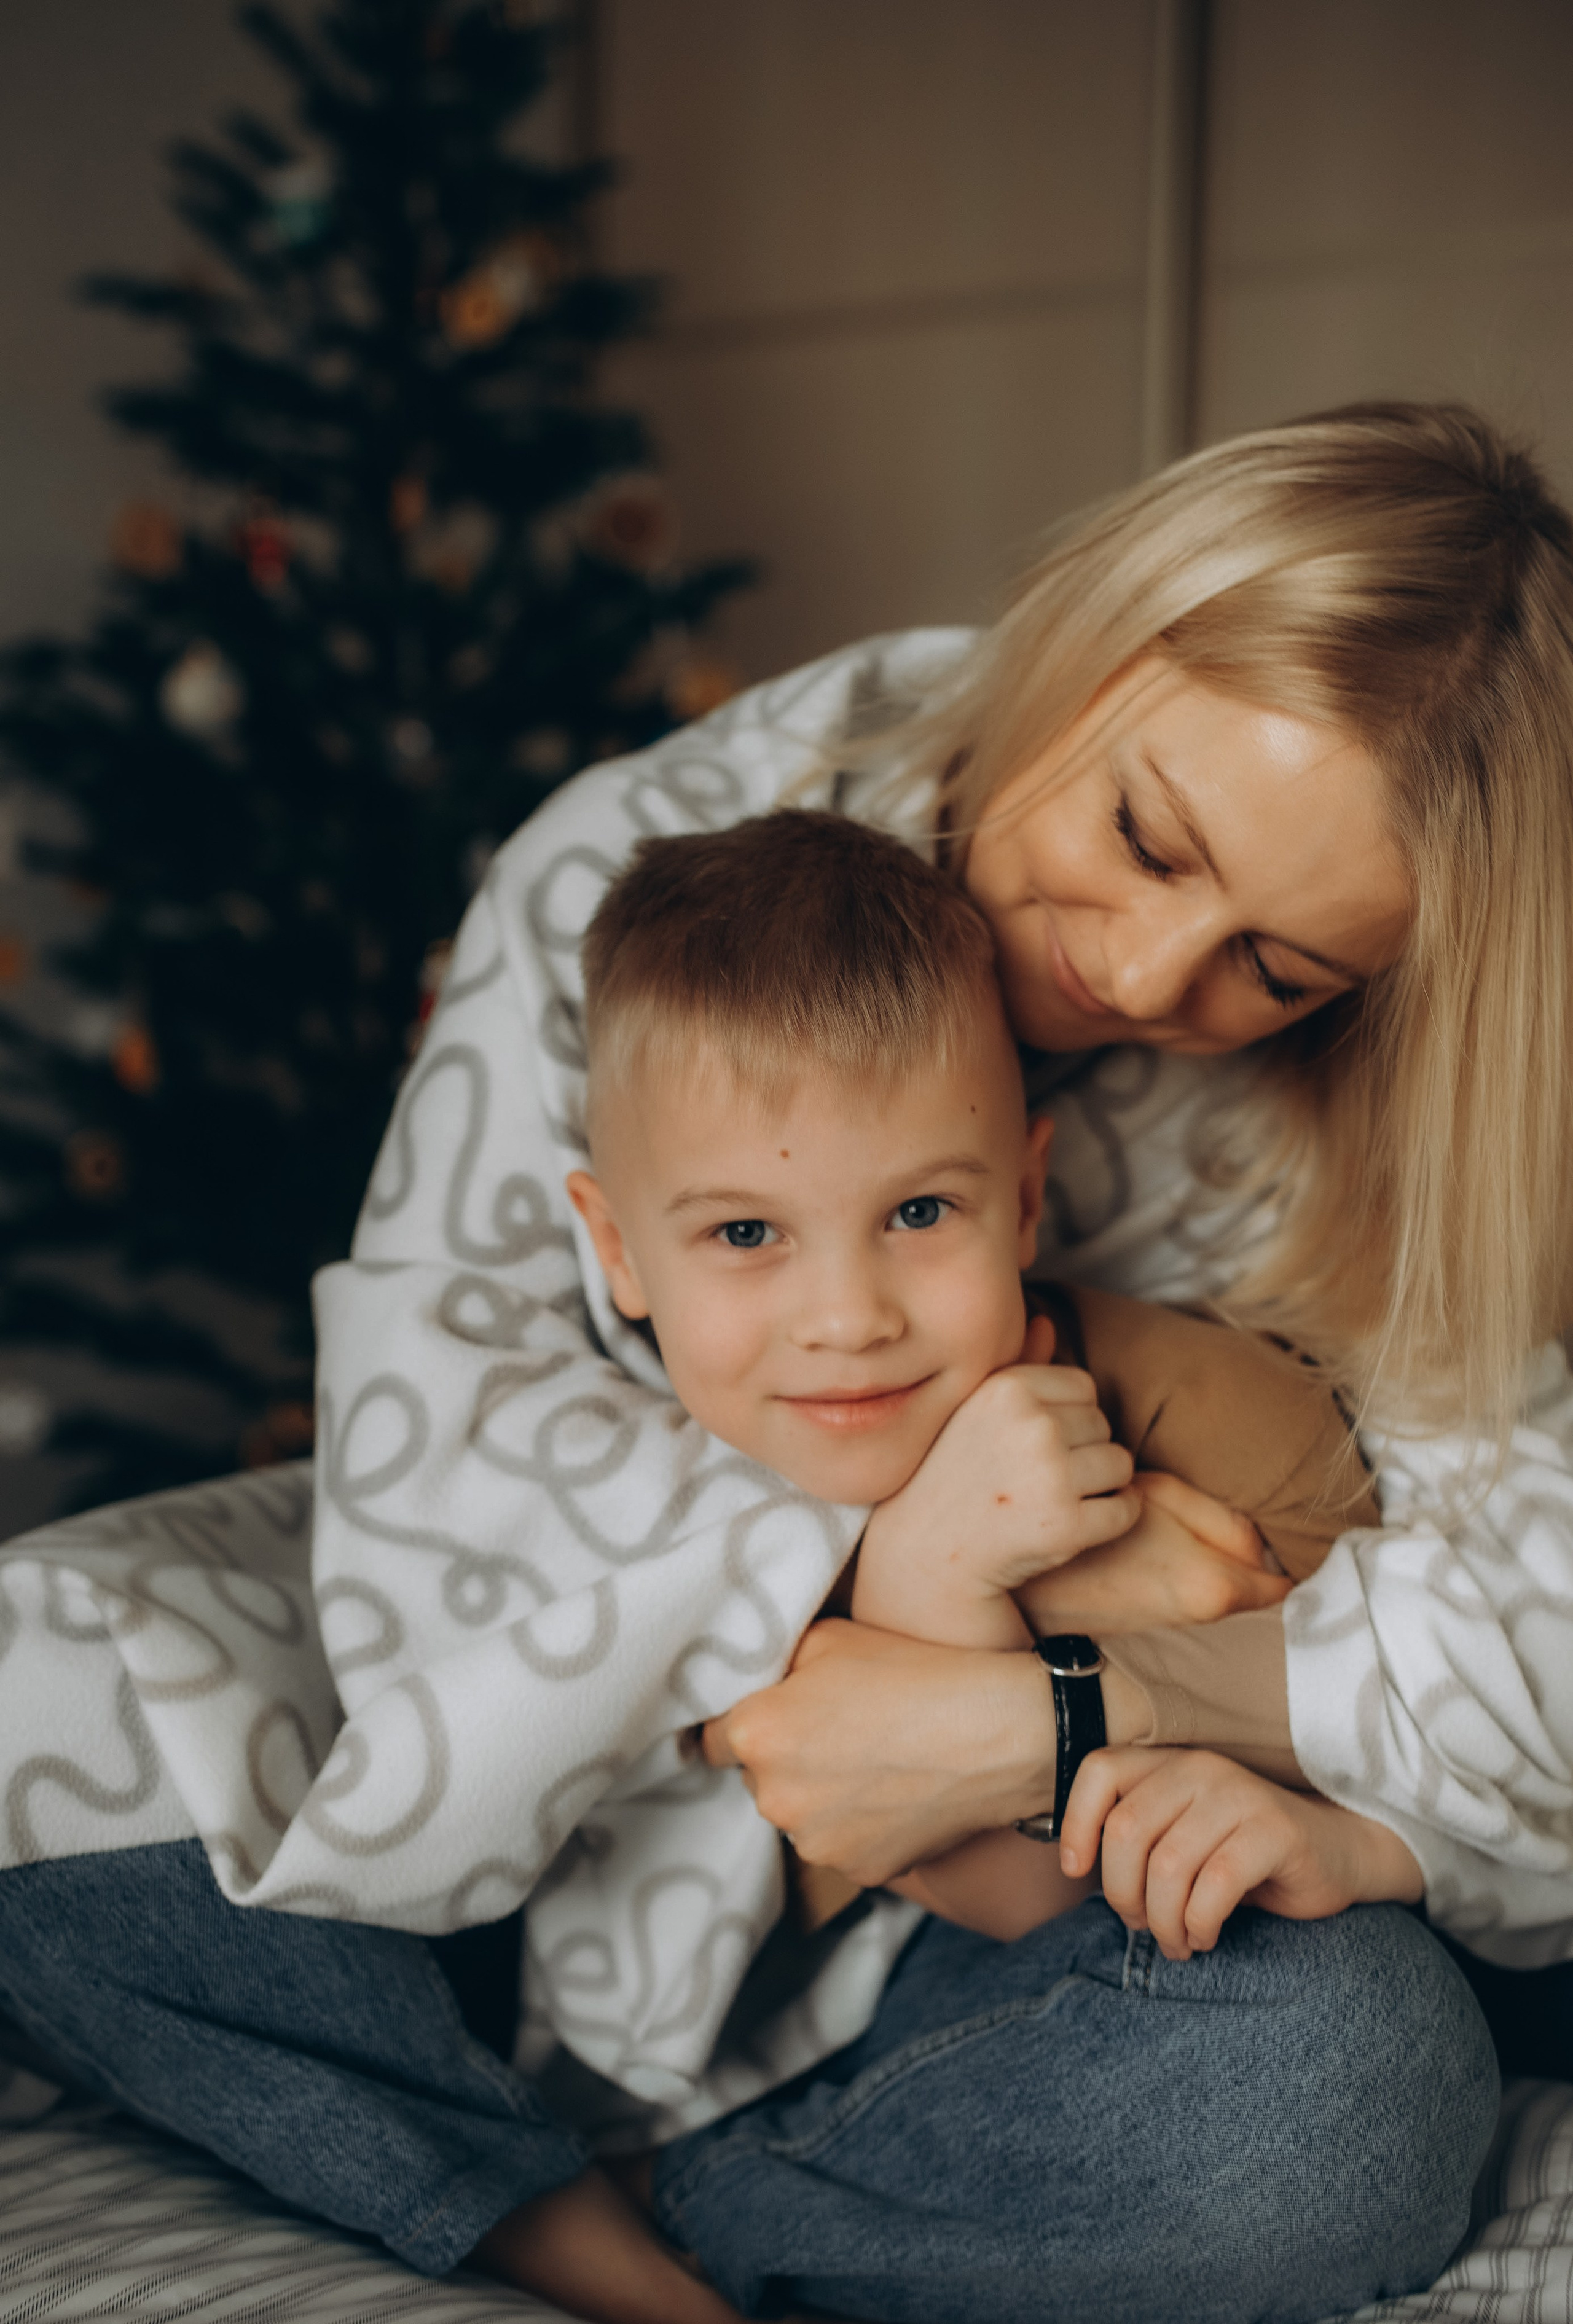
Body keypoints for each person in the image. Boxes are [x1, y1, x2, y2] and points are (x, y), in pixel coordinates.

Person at [4, 401, 1570, 2324]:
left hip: (1012, 1882)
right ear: (1087, 639)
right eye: (1144, 839)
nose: (1155, 979)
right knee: (36, 1687)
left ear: (1028, 1182)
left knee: (1348, 2084)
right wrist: (910, 1577)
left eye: (1283, 969)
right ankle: (533, 2204)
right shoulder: (637, 873)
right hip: (560, 1714)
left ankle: (687, 2197)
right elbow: (450, 1456)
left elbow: (1535, 1620)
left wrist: (1090, 1697)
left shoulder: (1386, 1093)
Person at [563, 805, 1381, 1950]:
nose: (849, 1320)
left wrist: (939, 1594)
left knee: (1346, 1999)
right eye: (747, 1235)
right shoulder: (598, 1486)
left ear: (1027, 1200)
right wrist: (937, 1576)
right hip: (731, 2030)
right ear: (617, 1252)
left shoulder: (1202, 1415)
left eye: (918, 1211)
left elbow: (1033, 1912)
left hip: (1098, 1966)